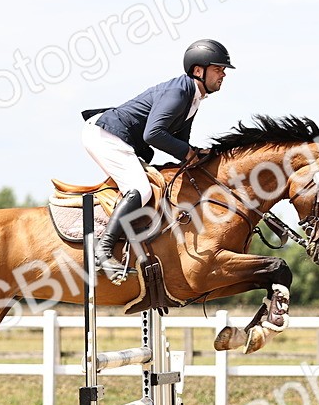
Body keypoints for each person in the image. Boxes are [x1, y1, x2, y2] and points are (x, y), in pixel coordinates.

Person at [81, 38, 234, 281]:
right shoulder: (178, 93)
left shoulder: (194, 97)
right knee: (140, 189)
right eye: (218, 69)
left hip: (119, 138)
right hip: (106, 135)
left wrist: (197, 156)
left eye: (223, 70)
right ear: (198, 70)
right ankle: (103, 250)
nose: (223, 75)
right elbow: (153, 134)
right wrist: (187, 153)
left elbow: (181, 141)